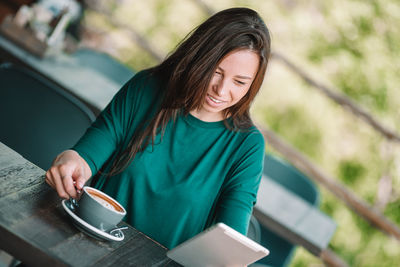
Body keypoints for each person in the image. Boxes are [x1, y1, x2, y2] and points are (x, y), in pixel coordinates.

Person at [45, 7, 271, 249]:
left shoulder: (247, 147)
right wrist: (69, 160)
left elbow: (230, 241)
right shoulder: (147, 88)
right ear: (198, 59)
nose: (222, 90)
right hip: (83, 247)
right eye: (215, 72)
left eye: (239, 82)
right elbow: (90, 151)